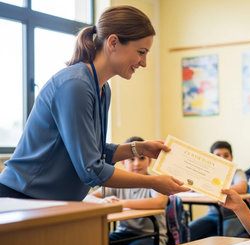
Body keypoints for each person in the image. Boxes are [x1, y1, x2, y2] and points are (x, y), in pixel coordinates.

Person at [0, 5, 189, 200]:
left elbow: (96, 153)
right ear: (113, 42)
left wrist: (139, 148)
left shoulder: (102, 88)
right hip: (22, 197)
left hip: (51, 201)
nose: (144, 62)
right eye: (141, 52)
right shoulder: (75, 85)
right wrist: (153, 182)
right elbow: (91, 169)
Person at [85, 136, 168, 245]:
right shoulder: (119, 183)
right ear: (123, 162)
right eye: (131, 159)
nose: (136, 164)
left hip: (150, 235)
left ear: (149, 161)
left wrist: (121, 203)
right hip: (122, 233)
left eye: (142, 158)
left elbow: (160, 202)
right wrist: (102, 202)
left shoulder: (154, 181)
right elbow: (87, 198)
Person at [189, 141, 248, 240]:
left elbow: (242, 187)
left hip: (233, 216)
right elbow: (194, 187)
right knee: (188, 231)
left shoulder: (237, 172)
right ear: (212, 159)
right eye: (218, 155)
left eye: (226, 155)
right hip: (212, 215)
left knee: (225, 236)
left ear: (231, 158)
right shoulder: (207, 174)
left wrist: (212, 188)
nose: (222, 159)